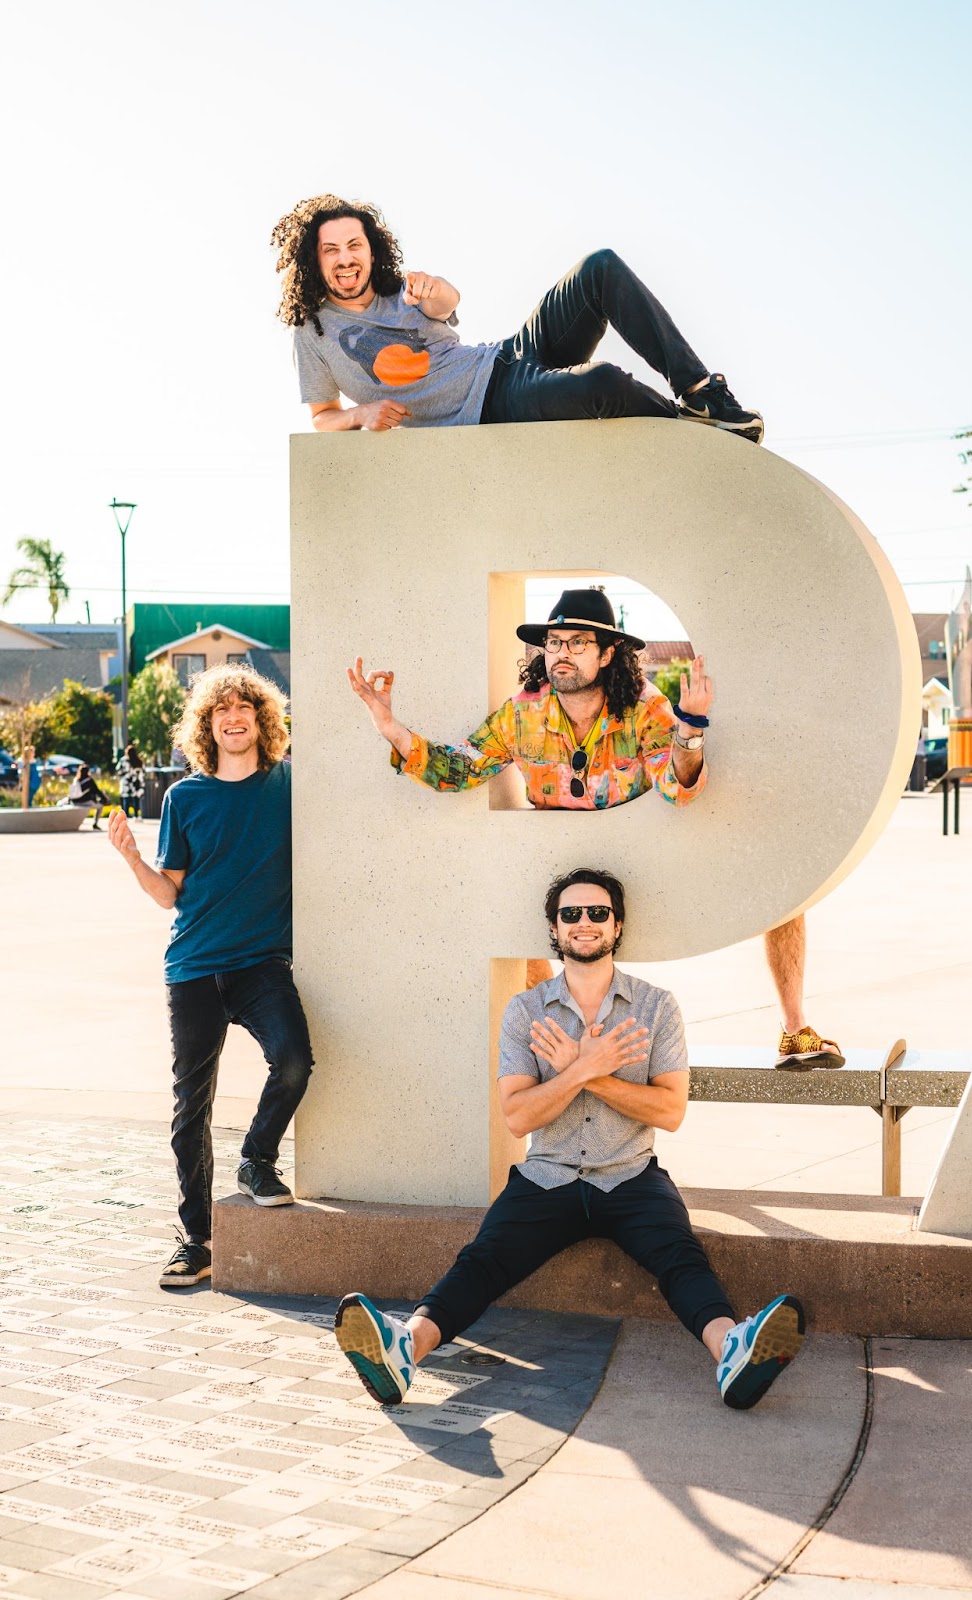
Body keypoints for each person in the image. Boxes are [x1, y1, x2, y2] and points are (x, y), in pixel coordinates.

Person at [334, 868, 805, 1413]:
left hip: (630, 1173)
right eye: (571, 915)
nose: (585, 923)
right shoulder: (525, 1011)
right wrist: (583, 1072)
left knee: (681, 1258)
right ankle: (403, 1349)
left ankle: (732, 1351)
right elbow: (517, 1117)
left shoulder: (656, 1007)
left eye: (598, 913)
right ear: (554, 930)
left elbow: (671, 1111)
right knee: (483, 1260)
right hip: (547, 1174)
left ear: (617, 925)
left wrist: (588, 1070)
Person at [349, 586, 842, 1067]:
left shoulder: (644, 708)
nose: (562, 653)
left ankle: (795, 1030)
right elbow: (461, 769)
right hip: (563, 875)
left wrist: (690, 730)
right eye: (554, 643)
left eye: (579, 643)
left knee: (784, 890)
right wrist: (391, 728)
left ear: (608, 655)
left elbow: (677, 788)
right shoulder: (522, 714)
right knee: (516, 919)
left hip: (647, 865)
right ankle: (558, 1052)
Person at [107, 664, 314, 1288]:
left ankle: (256, 1158)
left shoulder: (288, 785)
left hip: (262, 964)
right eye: (220, 711)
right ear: (208, 725)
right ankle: (195, 1239)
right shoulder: (184, 799)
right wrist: (133, 858)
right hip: (194, 968)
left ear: (261, 719)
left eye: (243, 709)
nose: (233, 718)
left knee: (296, 1060)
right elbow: (169, 895)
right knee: (190, 1108)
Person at [272, 196, 764, 441]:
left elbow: (445, 306)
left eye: (354, 245)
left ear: (370, 249)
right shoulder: (312, 331)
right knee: (603, 383)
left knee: (600, 267)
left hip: (506, 356)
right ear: (314, 260)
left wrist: (437, 289)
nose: (345, 258)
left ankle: (703, 396)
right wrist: (361, 413)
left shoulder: (400, 288)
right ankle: (692, 435)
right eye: (330, 249)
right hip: (485, 406)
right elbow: (322, 415)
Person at [68, 763, 108, 828]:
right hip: (85, 802)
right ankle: (95, 823)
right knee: (100, 807)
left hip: (74, 802)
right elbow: (97, 791)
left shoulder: (76, 780)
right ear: (88, 771)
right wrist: (105, 799)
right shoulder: (89, 780)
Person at [116, 743, 145, 818]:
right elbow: (143, 771)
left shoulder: (123, 760)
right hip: (135, 783)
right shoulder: (139, 761)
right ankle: (136, 815)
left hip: (125, 782)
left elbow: (118, 770)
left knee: (126, 799)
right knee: (136, 799)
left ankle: (125, 815)